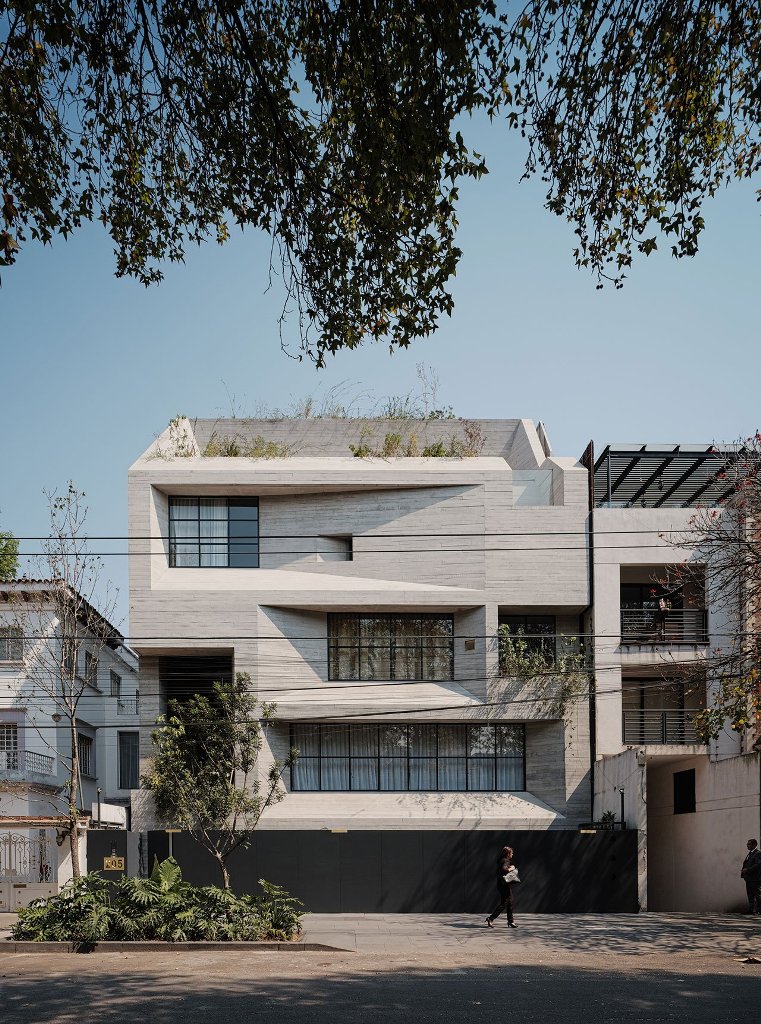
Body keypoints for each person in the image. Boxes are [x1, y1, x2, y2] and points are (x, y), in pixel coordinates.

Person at [485, 845, 518, 928]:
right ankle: (491, 918)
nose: (512, 854)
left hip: (501, 884)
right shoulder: (505, 861)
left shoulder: (501, 860)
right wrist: (512, 868)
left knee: (509, 902)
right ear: (508, 854)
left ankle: (511, 921)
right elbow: (504, 870)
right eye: (511, 853)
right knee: (504, 903)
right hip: (504, 885)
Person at [741, 839, 761, 914]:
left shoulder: (758, 853)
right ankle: (751, 910)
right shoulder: (750, 853)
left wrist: (747, 870)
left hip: (755, 879)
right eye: (747, 844)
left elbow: (758, 865)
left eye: (749, 844)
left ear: (754, 845)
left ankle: (759, 910)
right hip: (748, 878)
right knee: (750, 895)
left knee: (757, 895)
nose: (747, 845)